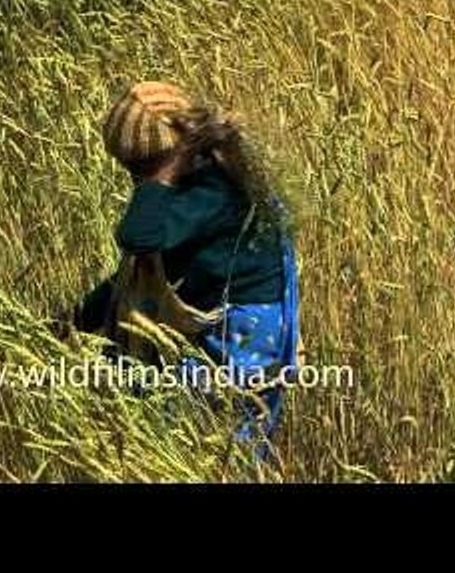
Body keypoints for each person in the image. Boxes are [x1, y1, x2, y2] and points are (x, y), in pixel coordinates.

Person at [67, 81, 300, 452]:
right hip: (223, 318)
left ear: (167, 159)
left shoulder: (211, 189)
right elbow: (134, 273)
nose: (134, 182)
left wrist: (161, 177)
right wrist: (76, 319)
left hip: (242, 333)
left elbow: (137, 237)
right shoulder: (205, 176)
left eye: (137, 170)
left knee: (225, 443)